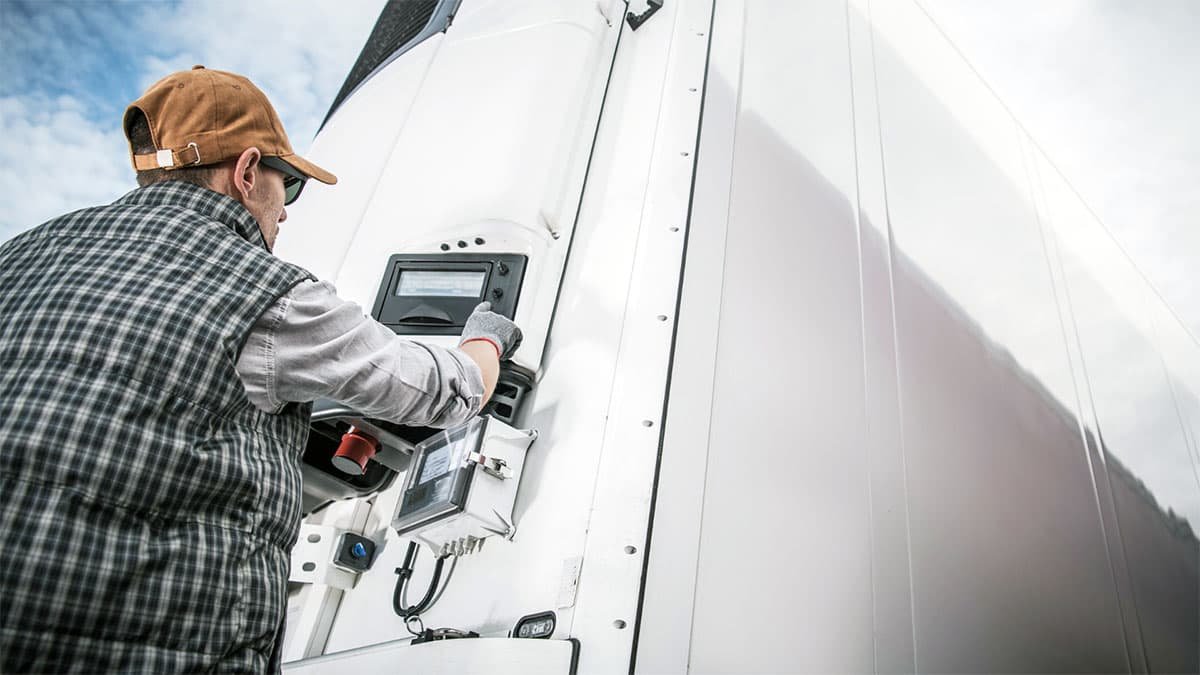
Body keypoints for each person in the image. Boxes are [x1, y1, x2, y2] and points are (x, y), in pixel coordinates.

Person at [0, 65, 522, 672]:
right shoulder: (263, 290)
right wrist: (486, 338)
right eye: (288, 186)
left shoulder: (25, 251)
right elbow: (443, 392)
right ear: (247, 173)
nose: (285, 211)